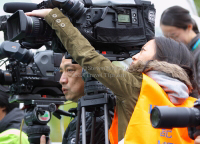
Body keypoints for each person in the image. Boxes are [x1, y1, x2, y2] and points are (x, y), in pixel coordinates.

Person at [26, 8, 197, 144]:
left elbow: (89, 58)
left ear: (160, 58)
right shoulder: (190, 100)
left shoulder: (137, 86)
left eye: (143, 51)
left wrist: (55, 18)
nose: (135, 56)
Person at [59, 55, 105, 144]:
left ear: (90, 72)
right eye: (61, 72)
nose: (62, 80)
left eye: (70, 70)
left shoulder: (95, 117)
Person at [160, 6, 200, 94]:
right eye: (167, 38)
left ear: (189, 27)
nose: (171, 41)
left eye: (174, 36)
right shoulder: (186, 50)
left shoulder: (198, 51)